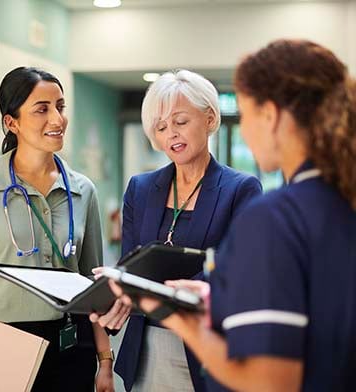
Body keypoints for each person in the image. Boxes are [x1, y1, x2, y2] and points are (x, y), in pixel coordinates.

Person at [112, 39, 356, 391]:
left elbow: (269, 382)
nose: (242, 130)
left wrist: (175, 315)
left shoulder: (278, 217)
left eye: (245, 113)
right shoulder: (339, 202)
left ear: (269, 115)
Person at [92, 69, 262, 392]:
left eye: (181, 121)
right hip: (144, 349)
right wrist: (116, 294)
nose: (172, 134)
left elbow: (238, 271)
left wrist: (156, 293)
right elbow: (131, 266)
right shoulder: (140, 189)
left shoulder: (241, 189)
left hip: (206, 346)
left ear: (210, 119)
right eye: (161, 126)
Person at [0, 67, 115, 392]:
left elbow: (93, 282)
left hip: (73, 343)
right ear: (11, 122)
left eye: (60, 106)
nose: (57, 120)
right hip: (3, 344)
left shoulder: (83, 190)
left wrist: (105, 361)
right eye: (42, 109)